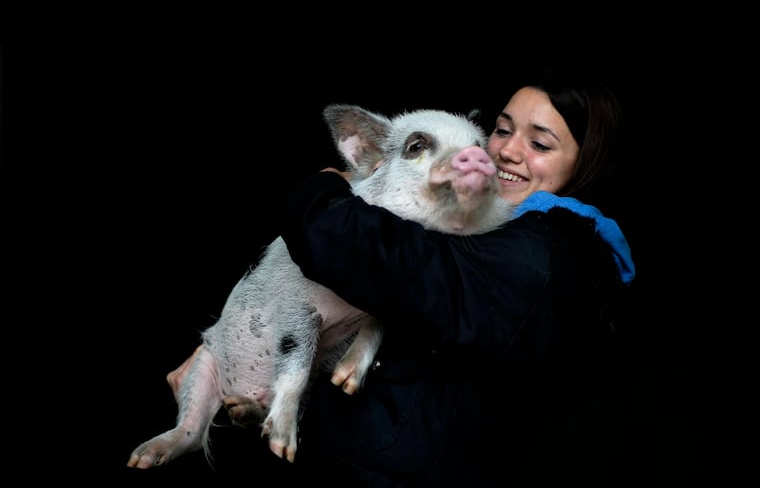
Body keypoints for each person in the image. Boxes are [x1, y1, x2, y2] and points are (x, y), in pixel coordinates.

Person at [165, 67, 639, 486]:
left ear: (585, 164)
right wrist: (228, 352)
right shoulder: (502, 230)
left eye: (539, 144)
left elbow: (363, 251)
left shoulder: (545, 251)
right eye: (500, 130)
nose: (504, 153)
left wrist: (329, 184)